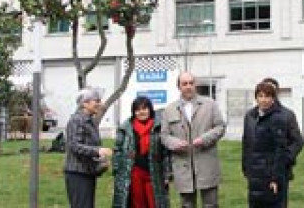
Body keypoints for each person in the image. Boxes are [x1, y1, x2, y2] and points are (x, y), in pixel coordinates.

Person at [161, 72, 226, 208]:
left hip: (206, 163)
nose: (188, 86)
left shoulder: (210, 104)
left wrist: (204, 139)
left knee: (211, 204)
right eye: (184, 84)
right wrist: (175, 143)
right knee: (187, 205)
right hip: (183, 166)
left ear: (195, 84)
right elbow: (164, 135)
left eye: (191, 83)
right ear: (178, 86)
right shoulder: (169, 110)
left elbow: (220, 127)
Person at [112, 96, 171, 208]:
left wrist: (167, 174)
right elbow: (117, 151)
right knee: (137, 203)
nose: (141, 112)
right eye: (138, 109)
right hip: (134, 173)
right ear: (134, 112)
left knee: (154, 203)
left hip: (155, 173)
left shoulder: (160, 127)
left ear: (150, 109)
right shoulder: (125, 128)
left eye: (144, 108)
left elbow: (166, 153)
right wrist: (117, 174)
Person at [242, 82, 291, 208]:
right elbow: (246, 143)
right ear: (256, 98)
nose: (264, 100)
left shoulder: (278, 118)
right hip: (253, 174)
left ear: (273, 98)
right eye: (260, 96)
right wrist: (246, 168)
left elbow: (281, 150)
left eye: (267, 96)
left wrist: (276, 178)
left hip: (269, 175)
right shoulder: (250, 116)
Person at [64, 88, 113, 208]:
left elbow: (89, 145)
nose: (99, 104)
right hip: (77, 173)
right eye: (96, 101)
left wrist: (100, 160)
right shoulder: (76, 120)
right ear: (85, 103)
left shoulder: (89, 121)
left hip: (86, 172)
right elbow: (74, 146)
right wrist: (98, 151)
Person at [260, 78, 304, 208]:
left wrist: (285, 158)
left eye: (271, 90)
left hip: (280, 170)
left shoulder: (287, 115)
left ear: (276, 93)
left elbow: (298, 141)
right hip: (259, 170)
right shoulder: (253, 115)